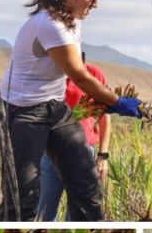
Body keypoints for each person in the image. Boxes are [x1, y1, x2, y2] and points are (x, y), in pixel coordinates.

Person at [0, 0, 142, 222]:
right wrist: (118, 102)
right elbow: (79, 75)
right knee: (23, 197)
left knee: (86, 183)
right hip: (24, 111)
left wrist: (107, 102)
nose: (95, 5)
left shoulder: (72, 22)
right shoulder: (49, 24)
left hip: (55, 108)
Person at [37, 53, 111, 221]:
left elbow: (104, 117)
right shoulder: (50, 75)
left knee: (79, 216)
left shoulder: (94, 75)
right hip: (50, 154)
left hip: (83, 155)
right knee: (43, 215)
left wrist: (103, 156)